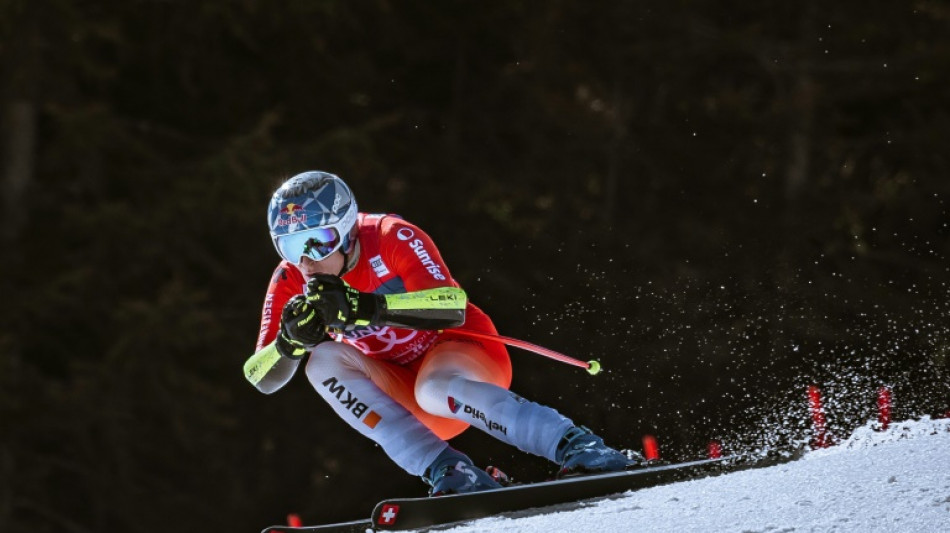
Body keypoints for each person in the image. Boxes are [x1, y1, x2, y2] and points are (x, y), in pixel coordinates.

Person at [243, 170, 638, 495]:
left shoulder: (390, 235)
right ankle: (449, 471)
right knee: (321, 362)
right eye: (290, 245)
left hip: (461, 354)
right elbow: (259, 377)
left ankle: (577, 445)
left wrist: (367, 307)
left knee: (434, 387)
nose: (306, 260)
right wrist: (288, 343)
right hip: (405, 389)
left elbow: (450, 304)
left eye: (318, 240)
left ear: (346, 231)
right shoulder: (291, 277)